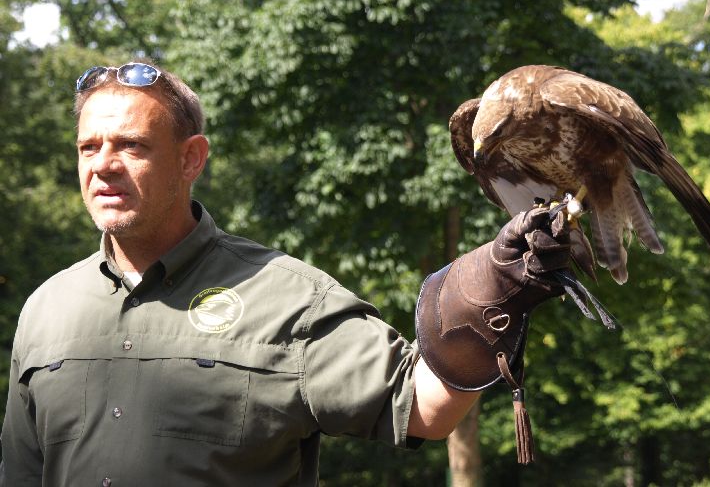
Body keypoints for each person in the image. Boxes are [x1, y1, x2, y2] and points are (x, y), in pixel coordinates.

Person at [0, 62, 572, 486]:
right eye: (88, 148)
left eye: (131, 146)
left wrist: (493, 288)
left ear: (191, 158)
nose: (102, 165)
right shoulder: (47, 309)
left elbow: (420, 406)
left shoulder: (288, 297)